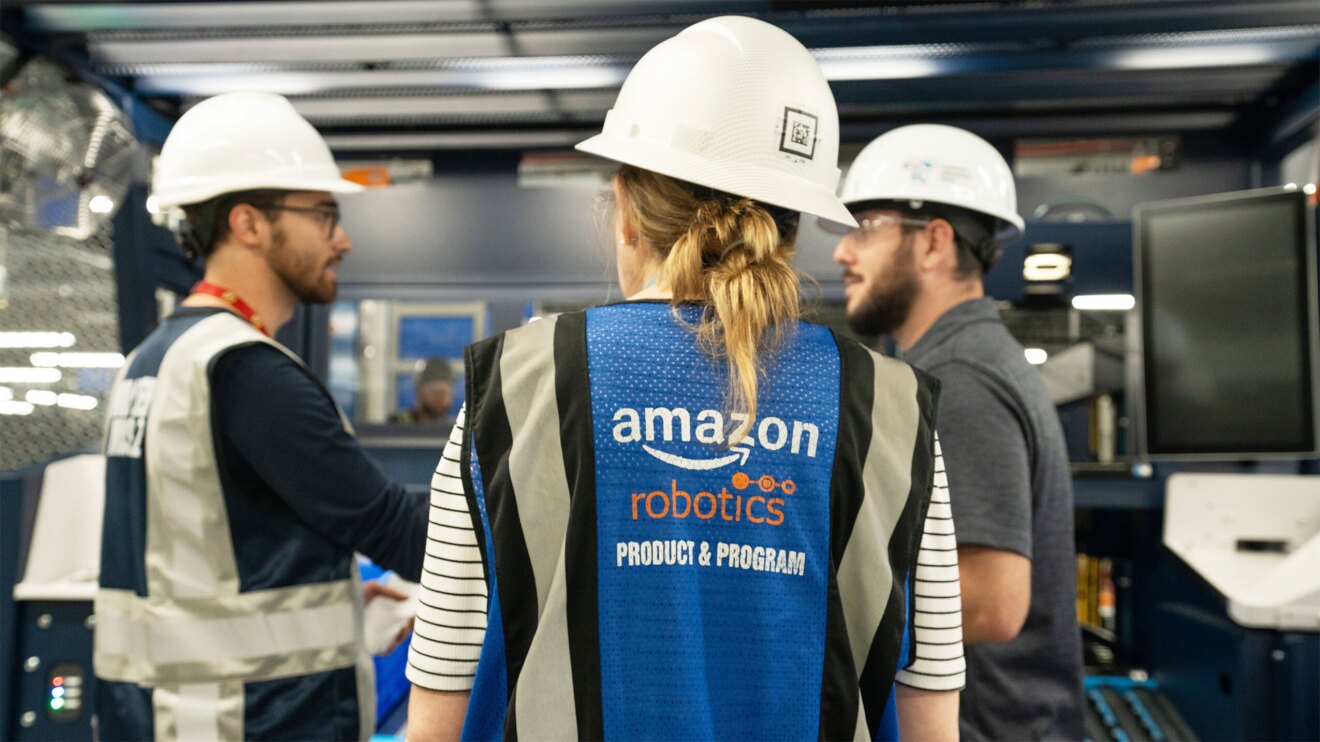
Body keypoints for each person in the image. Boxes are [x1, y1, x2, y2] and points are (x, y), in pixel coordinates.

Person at [406, 17, 964, 741]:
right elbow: (932, 725)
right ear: (793, 226)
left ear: (627, 207)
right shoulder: (895, 412)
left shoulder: (511, 389)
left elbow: (435, 721)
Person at [94, 92, 428, 740]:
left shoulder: (152, 360)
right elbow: (395, 530)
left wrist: (344, 606)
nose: (342, 239)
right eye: (323, 214)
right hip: (254, 721)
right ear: (248, 223)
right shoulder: (247, 372)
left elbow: (197, 573)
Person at [828, 123, 1084, 740]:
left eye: (866, 227)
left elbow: (993, 602)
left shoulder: (960, 379)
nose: (842, 252)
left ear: (934, 243)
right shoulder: (959, 361)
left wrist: (817, 609)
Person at [393, 358, 456, 424]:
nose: (440, 397)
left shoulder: (454, 429)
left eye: (446, 391)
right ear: (418, 393)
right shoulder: (397, 425)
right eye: (434, 391)